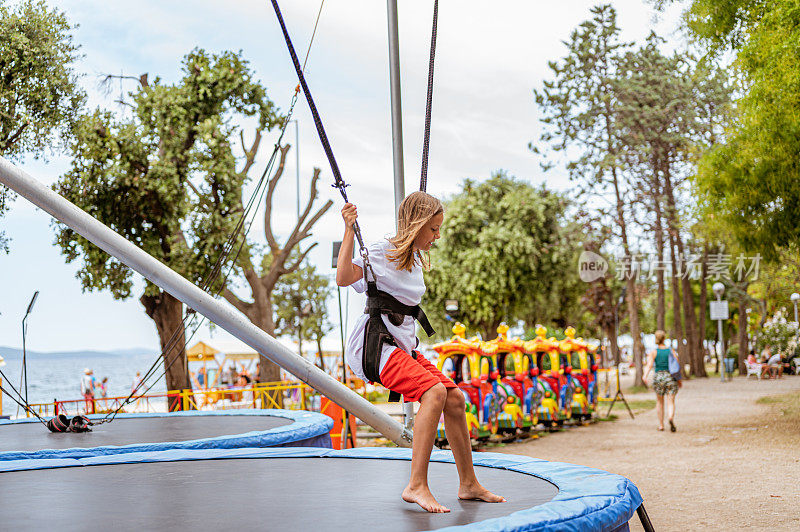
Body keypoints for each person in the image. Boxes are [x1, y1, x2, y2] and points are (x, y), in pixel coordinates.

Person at [337, 193, 504, 514]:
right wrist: (348, 229)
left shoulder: (412, 257)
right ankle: (416, 485)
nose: (437, 237)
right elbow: (343, 278)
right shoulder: (380, 252)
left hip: (402, 347)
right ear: (416, 225)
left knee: (454, 398)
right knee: (434, 391)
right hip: (375, 347)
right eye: (434, 229)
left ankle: (468, 484)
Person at [643, 331, 679, 432]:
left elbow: (649, 365)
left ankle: (661, 425)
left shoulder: (654, 352)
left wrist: (645, 375)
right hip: (670, 377)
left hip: (658, 377)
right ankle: (670, 417)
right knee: (671, 401)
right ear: (664, 338)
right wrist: (679, 379)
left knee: (660, 402)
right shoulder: (670, 351)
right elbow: (676, 364)